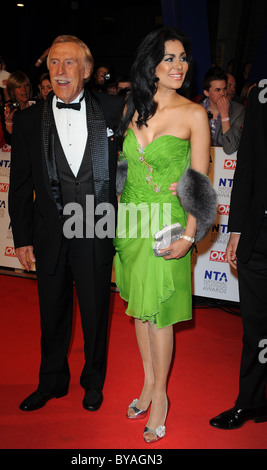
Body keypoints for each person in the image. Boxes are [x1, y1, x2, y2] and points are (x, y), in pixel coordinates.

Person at [8, 35, 122, 413]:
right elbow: (20, 184)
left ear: (87, 70)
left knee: (94, 312)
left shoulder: (113, 108)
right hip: (49, 231)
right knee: (51, 313)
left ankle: (93, 381)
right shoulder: (26, 121)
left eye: (69, 63)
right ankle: (52, 382)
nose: (59, 71)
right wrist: (22, 238)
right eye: (54, 63)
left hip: (96, 226)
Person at [114, 27, 212, 443]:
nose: (179, 65)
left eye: (183, 57)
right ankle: (147, 384)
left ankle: (160, 399)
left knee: (159, 315)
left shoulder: (194, 113)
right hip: (131, 222)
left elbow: (201, 178)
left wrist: (190, 236)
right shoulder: (131, 107)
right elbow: (122, 167)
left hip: (169, 221)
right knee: (139, 309)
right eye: (170, 58)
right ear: (150, 64)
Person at [210, 85, 267, 430]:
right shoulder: (261, 94)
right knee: (256, 328)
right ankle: (251, 403)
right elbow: (247, 163)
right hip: (259, 235)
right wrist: (238, 229)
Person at [201, 66, 245, 154]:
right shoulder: (197, 110)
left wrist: (225, 116)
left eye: (224, 89)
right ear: (206, 92)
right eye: (217, 90)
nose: (222, 93)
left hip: (226, 163)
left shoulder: (238, 111)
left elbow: (230, 149)